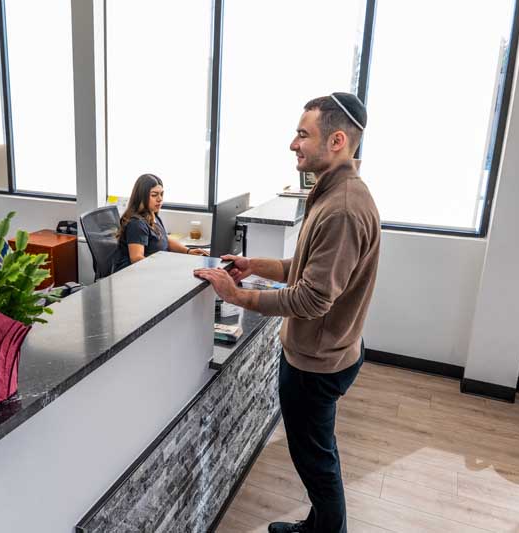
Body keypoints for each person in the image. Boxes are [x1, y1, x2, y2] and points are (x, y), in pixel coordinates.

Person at [195, 93, 380, 533]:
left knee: (315, 460)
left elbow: (313, 299)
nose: (293, 144)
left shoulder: (343, 209)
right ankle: (317, 524)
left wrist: (237, 297)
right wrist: (255, 266)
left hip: (316, 363)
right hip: (325, 353)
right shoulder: (334, 192)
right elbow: (309, 269)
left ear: (336, 140)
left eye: (303, 134)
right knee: (315, 451)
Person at [114, 173, 208, 272]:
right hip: (137, 277)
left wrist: (188, 251)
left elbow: (165, 240)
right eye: (154, 195)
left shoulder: (153, 216)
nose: (160, 199)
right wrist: (164, 269)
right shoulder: (137, 224)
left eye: (161, 194)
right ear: (142, 197)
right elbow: (136, 259)